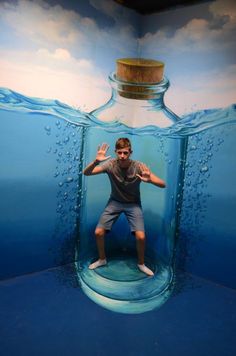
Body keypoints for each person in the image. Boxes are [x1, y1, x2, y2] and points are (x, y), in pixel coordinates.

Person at [83, 138, 166, 276]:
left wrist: (150, 179)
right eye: (119, 152)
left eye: (125, 153)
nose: (122, 156)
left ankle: (141, 264)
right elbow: (86, 173)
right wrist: (96, 161)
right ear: (115, 152)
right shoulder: (110, 165)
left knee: (141, 237)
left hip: (133, 204)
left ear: (130, 152)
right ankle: (102, 259)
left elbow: (163, 184)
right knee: (98, 232)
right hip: (114, 202)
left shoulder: (138, 166)